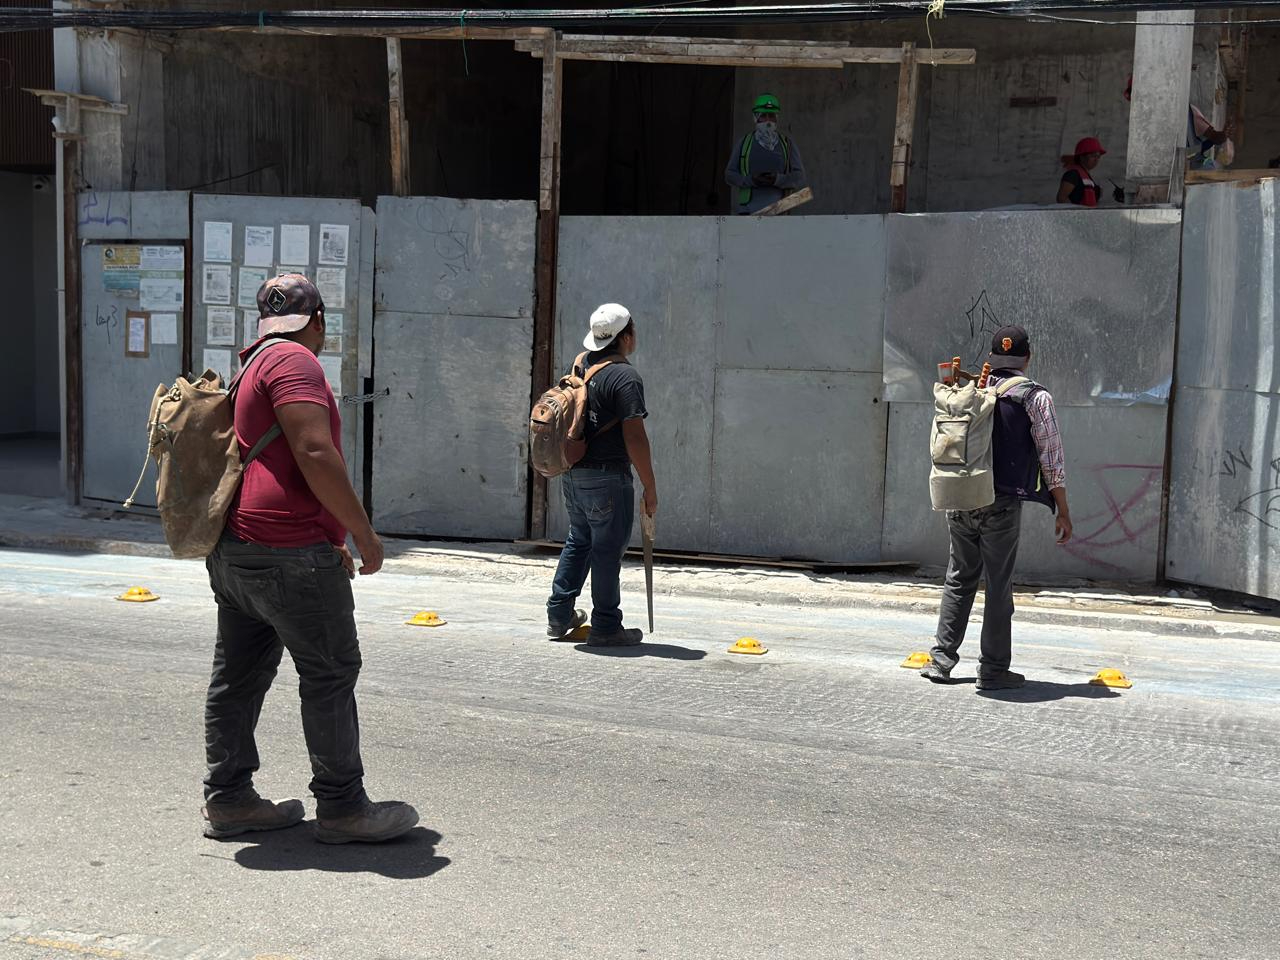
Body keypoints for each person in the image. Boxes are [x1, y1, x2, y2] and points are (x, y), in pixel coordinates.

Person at [202, 273, 418, 844]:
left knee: (239, 678)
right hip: (286, 551)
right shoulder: (296, 363)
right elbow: (314, 450)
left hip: (237, 549)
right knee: (328, 673)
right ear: (318, 320)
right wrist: (362, 534)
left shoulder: (252, 362)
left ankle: (229, 799)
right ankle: (344, 809)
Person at [921, 325, 1073, 692]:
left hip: (961, 496)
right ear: (1028, 358)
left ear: (990, 357)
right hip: (1001, 503)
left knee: (959, 578)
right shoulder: (1035, 397)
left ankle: (941, 661)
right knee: (999, 586)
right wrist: (1063, 509)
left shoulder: (973, 391)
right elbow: (1051, 458)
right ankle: (992, 670)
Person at [545, 303, 657, 647]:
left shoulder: (580, 364)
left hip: (573, 472)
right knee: (607, 550)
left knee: (579, 540)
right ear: (627, 336)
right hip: (608, 478)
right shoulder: (625, 376)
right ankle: (607, 625)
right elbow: (634, 436)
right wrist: (650, 486)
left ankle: (559, 614)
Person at [724, 93, 808, 215]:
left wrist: (777, 179)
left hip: (780, 210)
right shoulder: (744, 143)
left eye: (771, 116)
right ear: (755, 118)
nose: (768, 121)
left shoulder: (787, 144)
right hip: (748, 212)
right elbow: (729, 175)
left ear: (777, 118)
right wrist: (751, 180)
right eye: (763, 116)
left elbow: (800, 177)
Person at [1056, 137, 1116, 206]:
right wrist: (1076, 214)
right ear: (1081, 157)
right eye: (1093, 156)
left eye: (1098, 157)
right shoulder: (1073, 174)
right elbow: (1061, 198)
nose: (1096, 160)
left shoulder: (1086, 176)